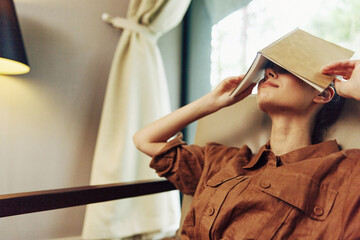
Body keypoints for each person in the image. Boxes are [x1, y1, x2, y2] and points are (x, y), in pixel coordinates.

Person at [133, 59, 360, 239]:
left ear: (322, 94)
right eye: (267, 70)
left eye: (285, 68)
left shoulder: (346, 171)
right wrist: (212, 101)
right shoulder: (224, 160)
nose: (268, 73)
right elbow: (145, 140)